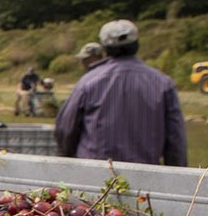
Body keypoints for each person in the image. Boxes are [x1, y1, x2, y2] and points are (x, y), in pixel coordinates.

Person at [55, 20, 187, 166]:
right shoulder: (162, 83)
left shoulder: (88, 82)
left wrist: (66, 159)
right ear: (136, 45)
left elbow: (65, 129)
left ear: (105, 48)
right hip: (145, 175)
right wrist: (178, 174)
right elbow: (176, 139)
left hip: (93, 174)